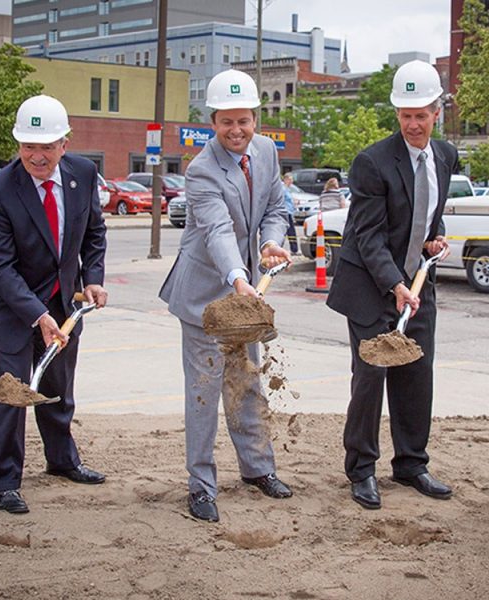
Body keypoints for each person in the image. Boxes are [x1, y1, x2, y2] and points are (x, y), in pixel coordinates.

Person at [159, 69, 293, 523]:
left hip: (245, 295)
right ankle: (201, 486)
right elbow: (217, 231)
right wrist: (239, 278)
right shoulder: (200, 170)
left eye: (244, 121)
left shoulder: (266, 151)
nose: (236, 131)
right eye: (226, 122)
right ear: (212, 121)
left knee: (246, 383)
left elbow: (275, 206)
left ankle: (257, 470)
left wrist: (270, 243)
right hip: (205, 299)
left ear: (256, 118)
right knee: (203, 392)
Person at [326, 60, 457, 510]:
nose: (414, 123)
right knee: (370, 377)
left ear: (436, 111)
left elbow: (428, 212)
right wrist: (394, 284)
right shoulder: (372, 163)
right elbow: (367, 235)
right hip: (370, 287)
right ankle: (361, 469)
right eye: (406, 115)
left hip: (418, 286)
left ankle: (411, 463)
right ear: (397, 114)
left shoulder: (445, 155)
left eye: (422, 114)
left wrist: (432, 240)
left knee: (417, 374)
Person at [0, 95, 108, 515]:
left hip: (63, 303)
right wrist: (38, 315)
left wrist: (93, 280)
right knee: (14, 392)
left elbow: (94, 233)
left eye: (46, 146)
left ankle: (62, 460)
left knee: (57, 388)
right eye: (28, 146)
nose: (37, 156)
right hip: (13, 309)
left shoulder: (84, 174)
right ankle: (5, 482)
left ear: (64, 144)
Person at [282, 173, 300, 254]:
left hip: (289, 212)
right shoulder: (283, 189)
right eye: (290, 179)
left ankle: (294, 249)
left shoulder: (287, 189)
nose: (291, 181)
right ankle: (294, 249)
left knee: (290, 231)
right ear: (286, 179)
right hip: (286, 212)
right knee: (290, 231)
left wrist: (294, 202)